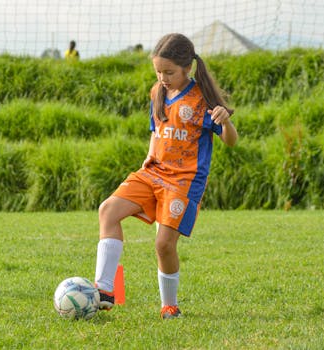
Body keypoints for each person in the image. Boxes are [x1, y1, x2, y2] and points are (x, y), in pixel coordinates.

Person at [94, 33, 238, 319]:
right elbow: (156, 129)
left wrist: (226, 122)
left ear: (187, 68)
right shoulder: (157, 91)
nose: (163, 77)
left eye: (169, 72)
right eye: (158, 71)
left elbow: (230, 141)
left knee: (163, 244)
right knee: (108, 210)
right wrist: (149, 155)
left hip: (183, 182)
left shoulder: (202, 99)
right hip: (153, 172)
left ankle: (170, 306)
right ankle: (105, 290)